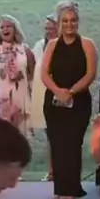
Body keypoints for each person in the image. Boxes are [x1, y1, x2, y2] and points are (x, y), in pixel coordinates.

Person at [42, 1, 97, 199]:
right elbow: (44, 73)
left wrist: (71, 92)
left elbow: (90, 74)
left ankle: (72, 191)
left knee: (73, 144)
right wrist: (58, 92)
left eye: (73, 20)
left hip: (79, 101)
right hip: (54, 101)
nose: (69, 24)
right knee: (57, 143)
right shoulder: (52, 45)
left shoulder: (87, 45)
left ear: (78, 22)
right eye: (65, 21)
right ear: (59, 23)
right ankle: (61, 189)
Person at [0, 15, 36, 137]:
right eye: (2, 27)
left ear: (15, 29)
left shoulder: (25, 50)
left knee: (21, 136)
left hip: (21, 98)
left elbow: (32, 75)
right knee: (2, 136)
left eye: (8, 26)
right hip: (2, 99)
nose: (5, 29)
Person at [30, 14, 58, 181]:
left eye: (52, 29)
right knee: (51, 134)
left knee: (60, 135)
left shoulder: (64, 47)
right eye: (46, 29)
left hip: (60, 95)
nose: (48, 32)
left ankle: (62, 172)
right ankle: (52, 172)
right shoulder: (40, 46)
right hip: (43, 95)